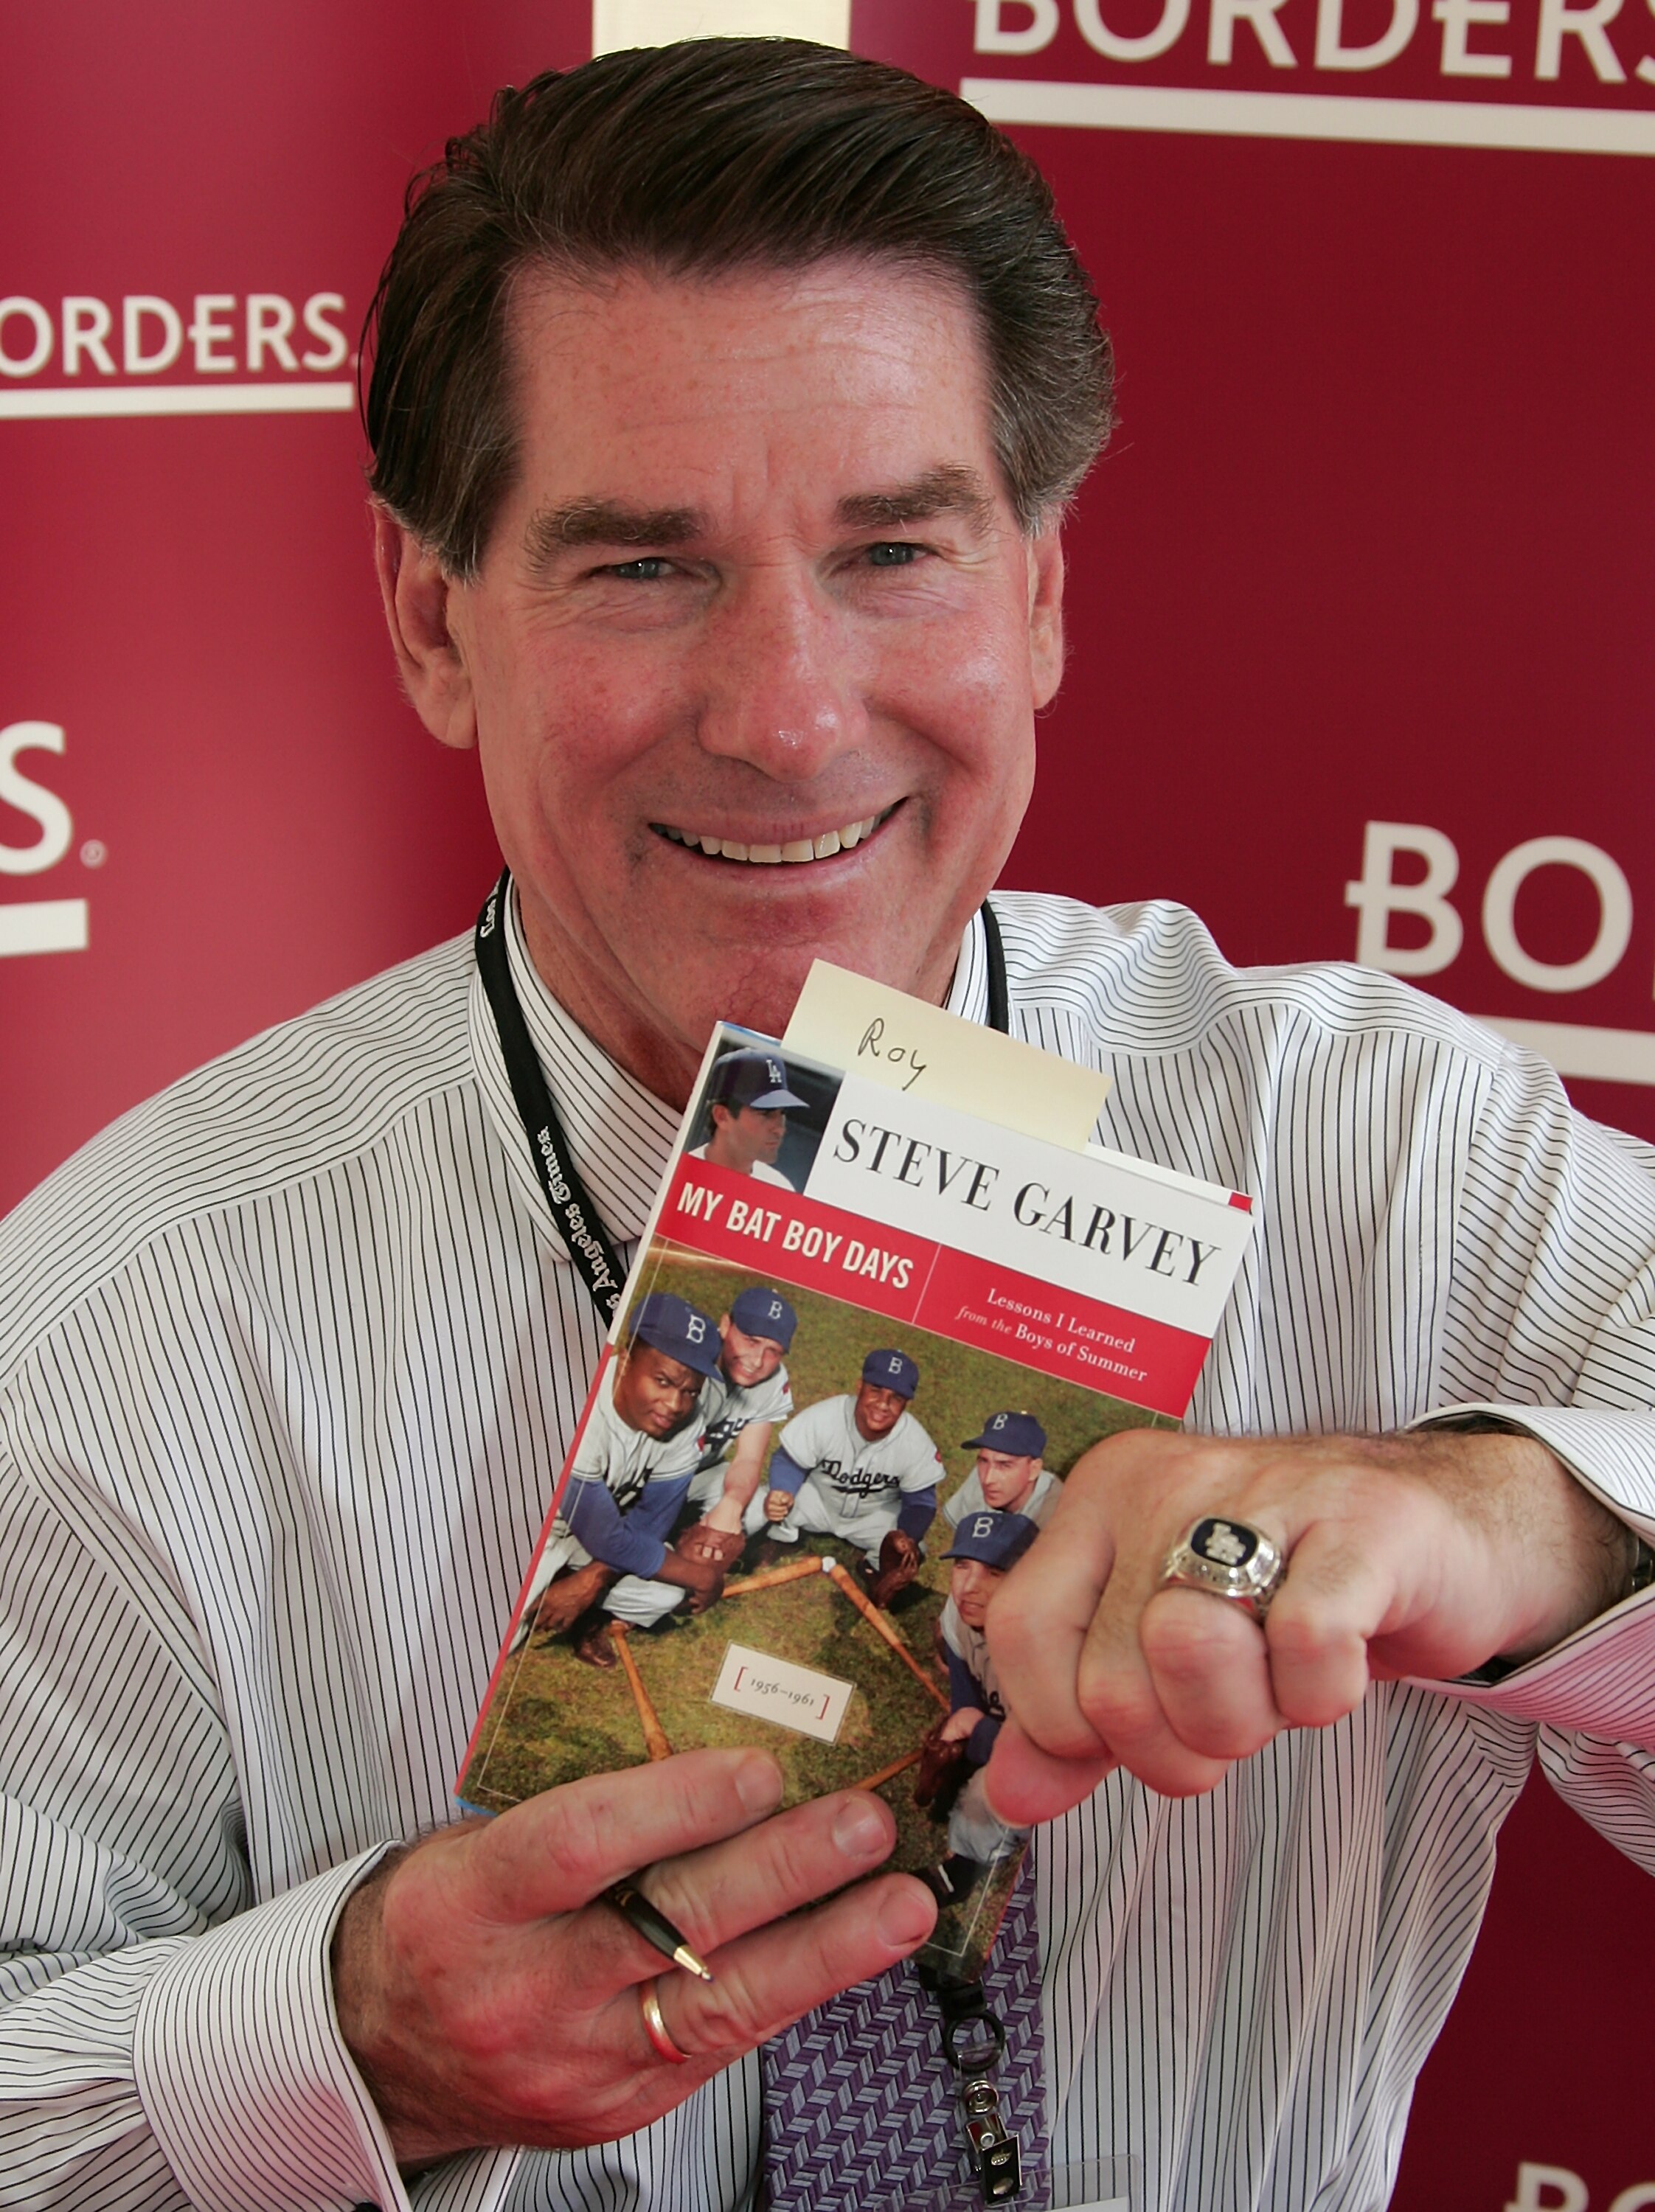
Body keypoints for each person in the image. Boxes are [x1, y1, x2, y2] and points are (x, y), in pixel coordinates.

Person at [1, 35, 1651, 2212]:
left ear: (1037, 594)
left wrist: (1521, 1522)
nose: (786, 714)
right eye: (641, 567)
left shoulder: (1382, 1141)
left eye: (893, 550)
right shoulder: (126, 1324)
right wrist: (349, 2040)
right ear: (430, 620)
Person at [513, 1291, 728, 1666]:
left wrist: (592, 1579)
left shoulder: (688, 1422)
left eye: (690, 1391)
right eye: (663, 1381)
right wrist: (703, 1577)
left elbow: (652, 1521)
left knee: (663, 1593)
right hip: (529, 1527)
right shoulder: (582, 1405)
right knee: (493, 1639)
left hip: (599, 1533)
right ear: (626, 1360)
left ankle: (586, 1614)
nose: (675, 1404)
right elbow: (605, 1537)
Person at [745, 1349, 944, 1604]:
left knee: (913, 1549)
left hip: (871, 1517)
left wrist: (909, 1534)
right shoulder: (826, 1416)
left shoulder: (915, 1441)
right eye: (876, 1390)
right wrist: (783, 1490)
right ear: (860, 1385)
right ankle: (774, 1540)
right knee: (760, 1501)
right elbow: (789, 1460)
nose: (883, 1404)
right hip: (818, 1501)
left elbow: (921, 1502)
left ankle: (875, 1570)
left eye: (896, 1398)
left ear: (906, 1403)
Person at [913, 1509, 1041, 1905]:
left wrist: (978, 1730)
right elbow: (966, 1689)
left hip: (1067, 1768)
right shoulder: (958, 1613)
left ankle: (964, 1868)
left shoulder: (1049, 1650)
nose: (969, 1586)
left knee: (990, 1792)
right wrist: (962, 1737)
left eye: (994, 1572)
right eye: (962, 1566)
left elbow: (1043, 1754)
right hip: (1016, 1725)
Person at [679, 1285, 799, 1561]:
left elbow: (748, 1459)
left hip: (698, 1473)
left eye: (773, 1351)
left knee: (756, 1505)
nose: (757, 1361)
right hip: (644, 1475)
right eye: (751, 1341)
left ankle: (687, 1537)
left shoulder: (773, 1380)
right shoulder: (689, 1358)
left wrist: (732, 1504)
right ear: (725, 1326)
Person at [686, 1048, 807, 1188]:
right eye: (765, 1113)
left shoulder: (779, 1186)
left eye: (783, 1112)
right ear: (722, 1116)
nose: (780, 1129)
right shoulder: (682, 1173)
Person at [941, 1410, 1061, 1530]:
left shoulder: (1057, 1513)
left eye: (1004, 1465)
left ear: (1033, 1470)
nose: (988, 1479)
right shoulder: (981, 1476)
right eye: (984, 1461)